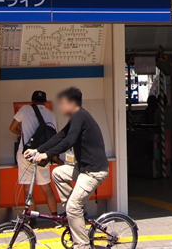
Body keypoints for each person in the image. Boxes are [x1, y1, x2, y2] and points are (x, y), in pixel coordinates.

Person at [26, 87, 109, 249]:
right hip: (82, 168)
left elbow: (69, 141)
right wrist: (38, 150)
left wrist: (47, 155)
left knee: (73, 207)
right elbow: (61, 136)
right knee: (58, 173)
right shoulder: (76, 117)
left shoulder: (80, 116)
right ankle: (74, 212)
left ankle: (82, 244)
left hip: (93, 171)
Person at [9, 90, 58, 214]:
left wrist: (22, 133)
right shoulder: (51, 114)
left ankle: (32, 222)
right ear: (45, 102)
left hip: (26, 154)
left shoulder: (25, 109)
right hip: (42, 155)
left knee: (27, 189)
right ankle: (55, 217)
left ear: (32, 101)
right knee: (46, 187)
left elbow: (12, 128)